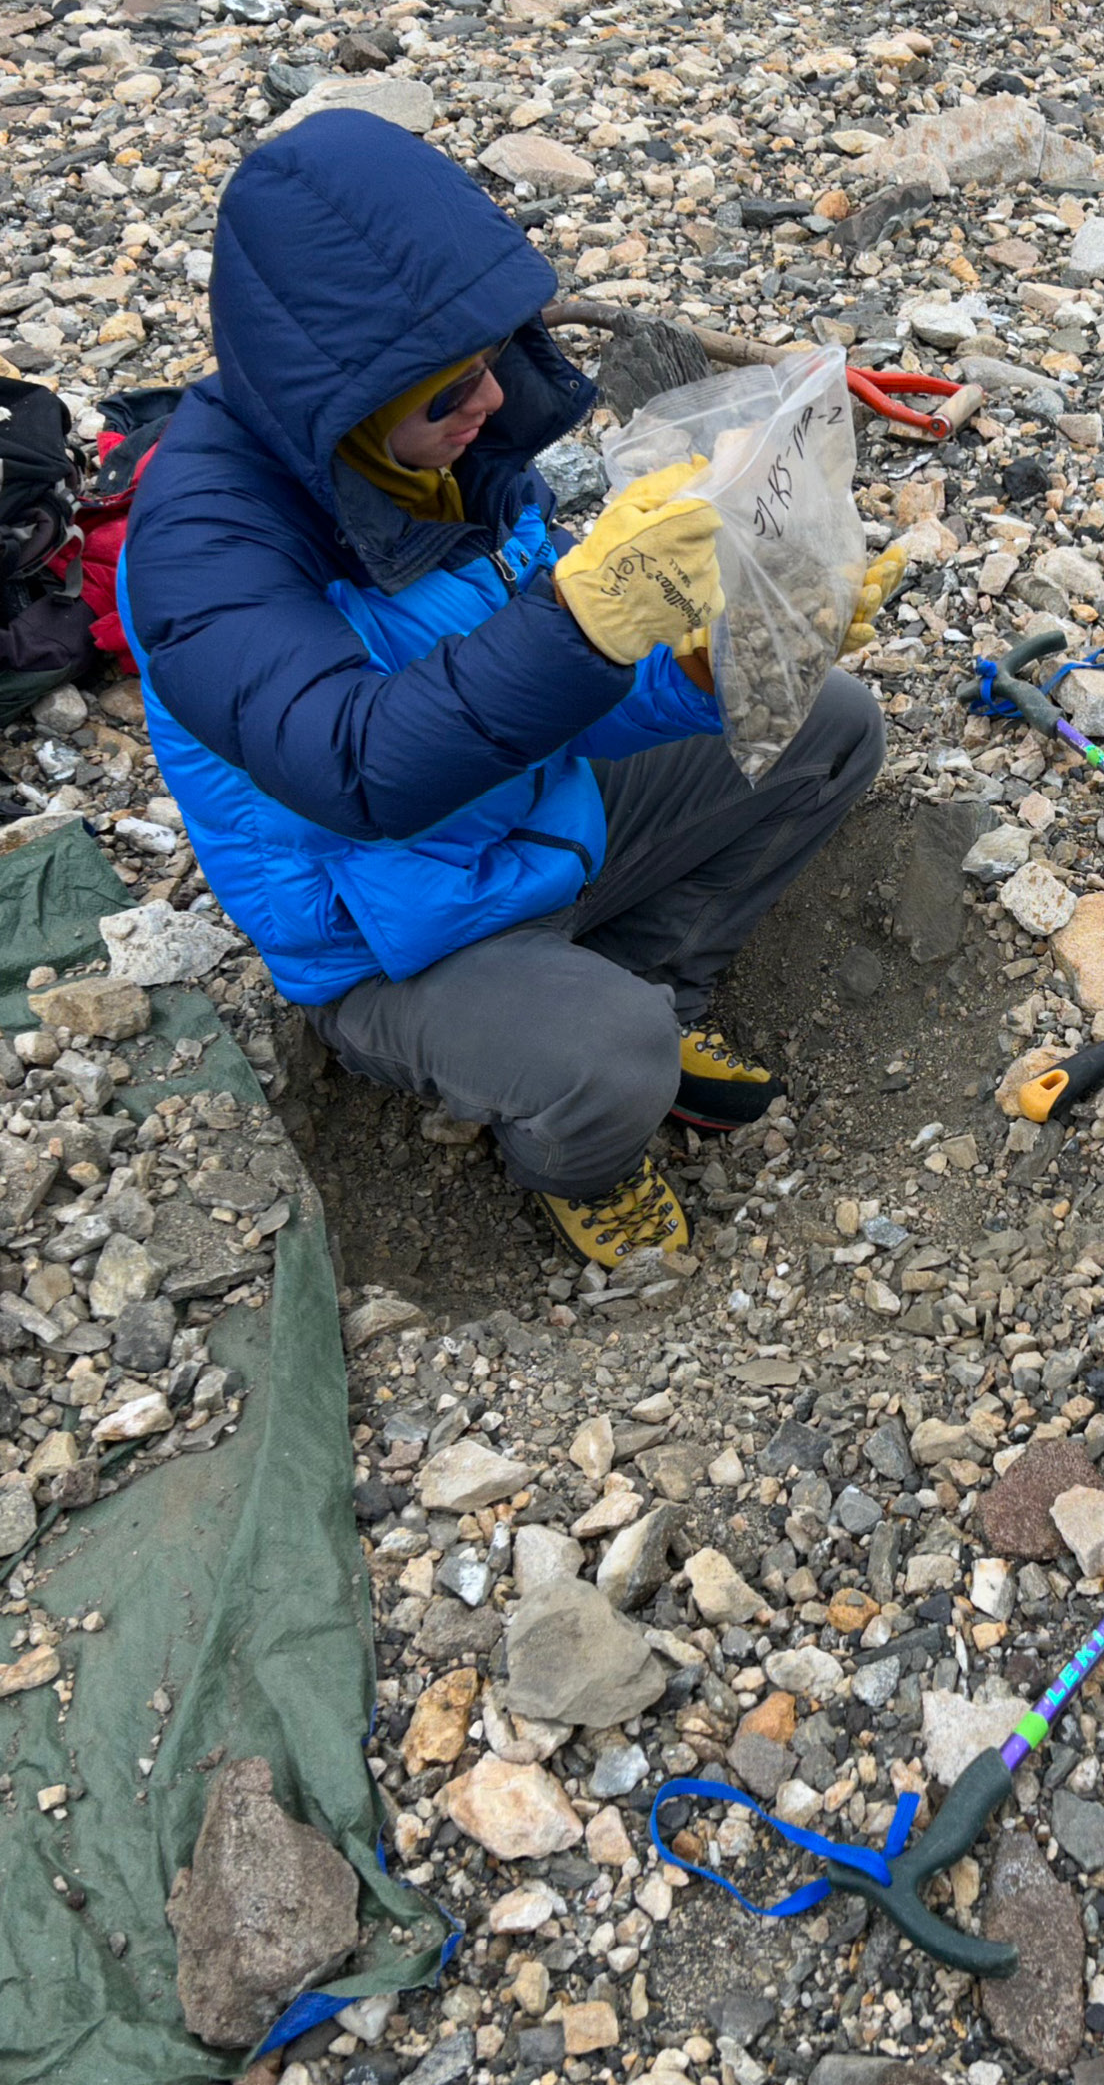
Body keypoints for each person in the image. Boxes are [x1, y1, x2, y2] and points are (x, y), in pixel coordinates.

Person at [120, 110, 896, 1268]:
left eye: (487, 364)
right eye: (446, 394)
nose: (485, 406)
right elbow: (358, 770)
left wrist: (698, 665)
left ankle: (652, 985)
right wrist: (580, 619)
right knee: (605, 1060)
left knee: (821, 723)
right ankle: (584, 1152)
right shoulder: (202, 551)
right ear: (344, 404)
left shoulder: (445, 460)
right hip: (393, 931)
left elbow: (546, 694)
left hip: (527, 819)